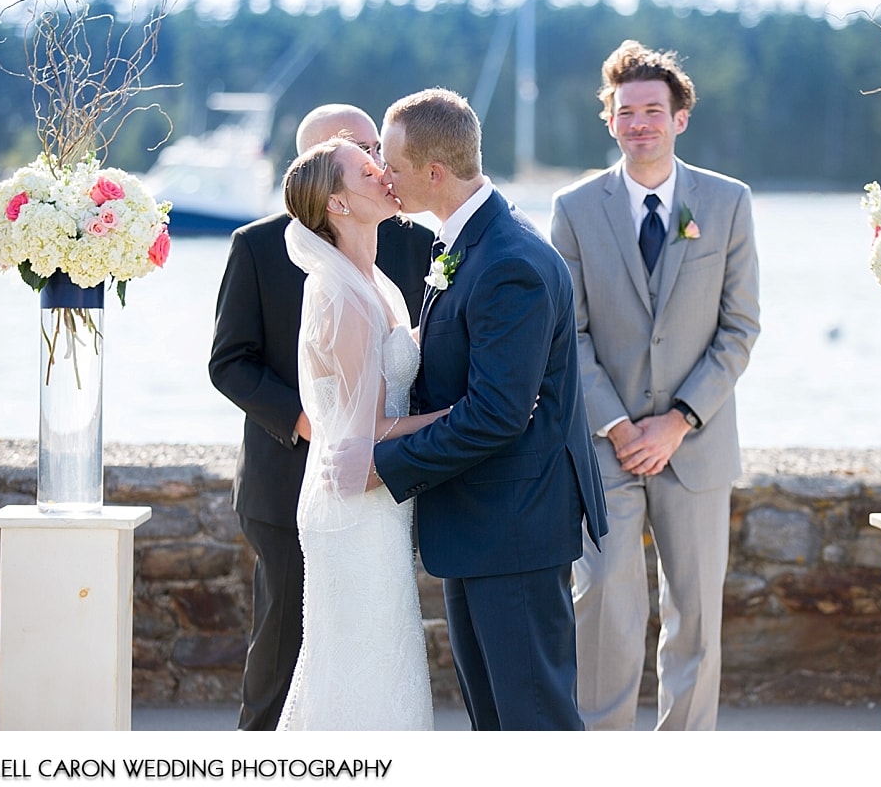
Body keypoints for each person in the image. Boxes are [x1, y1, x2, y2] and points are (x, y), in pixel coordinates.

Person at [371, 88, 609, 731]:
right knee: (495, 726)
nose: (384, 178)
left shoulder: (509, 262)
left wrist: (382, 463)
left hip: (515, 526)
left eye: (392, 166)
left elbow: (497, 415)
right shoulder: (468, 244)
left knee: (534, 724)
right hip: (482, 525)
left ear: (434, 172)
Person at [549, 40, 760, 731]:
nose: (639, 122)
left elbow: (739, 328)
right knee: (604, 596)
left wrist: (678, 421)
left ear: (680, 120)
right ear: (609, 120)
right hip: (605, 446)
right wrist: (616, 425)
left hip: (694, 446)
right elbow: (567, 333)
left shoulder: (727, 203)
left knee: (694, 611)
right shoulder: (574, 208)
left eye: (653, 110)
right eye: (626, 111)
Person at [208, 104, 431, 731]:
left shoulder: (413, 242)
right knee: (282, 646)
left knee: (366, 644)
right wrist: (315, 423)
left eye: (370, 148)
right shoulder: (255, 245)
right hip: (286, 478)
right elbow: (230, 362)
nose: (372, 163)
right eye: (349, 151)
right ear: (311, 167)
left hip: (381, 481)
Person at [274, 137, 448, 730]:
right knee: (359, 668)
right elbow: (364, 431)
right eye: (366, 170)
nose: (383, 173)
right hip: (354, 507)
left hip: (377, 502)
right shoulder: (341, 296)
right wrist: (466, 419)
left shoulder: (381, 287)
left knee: (384, 662)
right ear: (339, 205)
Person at [296, 104, 435, 323]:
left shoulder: (421, 243)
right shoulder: (257, 246)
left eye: (377, 150)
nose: (379, 166)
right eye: (361, 151)